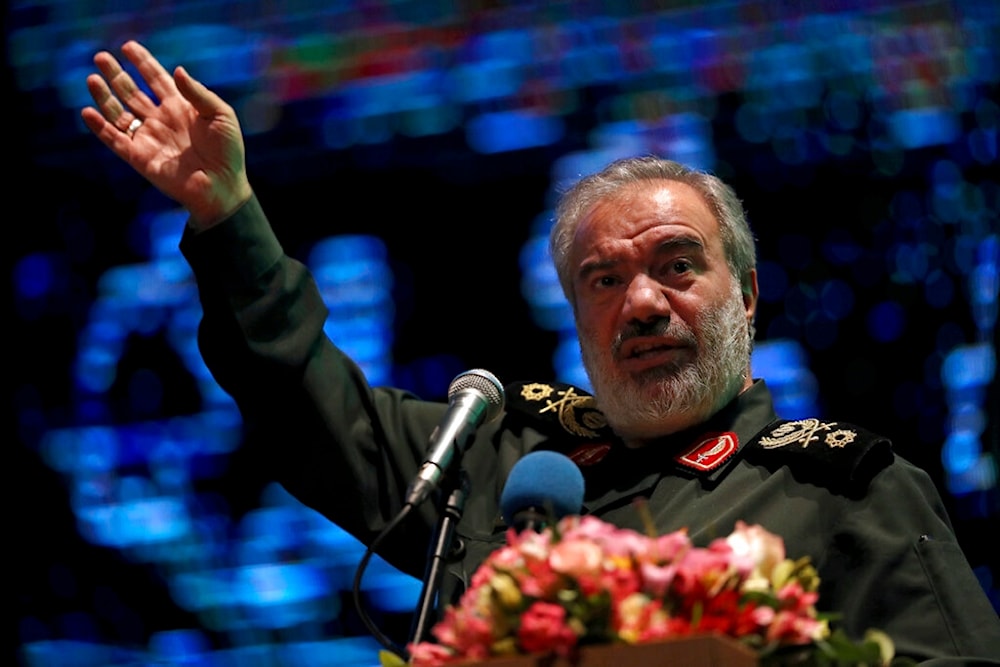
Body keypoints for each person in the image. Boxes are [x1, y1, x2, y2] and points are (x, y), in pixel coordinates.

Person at [81, 40, 1000, 664]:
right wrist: (229, 216)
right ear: (571, 310)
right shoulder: (503, 460)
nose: (641, 301)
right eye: (603, 279)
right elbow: (305, 401)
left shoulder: (849, 490)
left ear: (749, 299)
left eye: (677, 265)